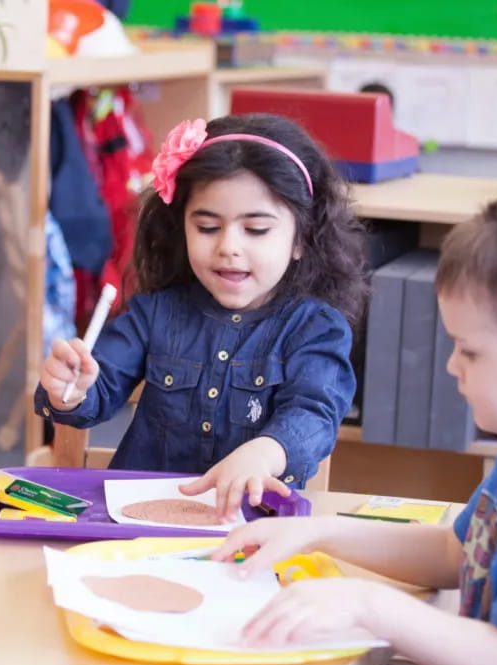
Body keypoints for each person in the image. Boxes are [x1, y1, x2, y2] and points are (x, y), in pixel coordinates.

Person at [215, 192, 497, 665]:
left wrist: (368, 605)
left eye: (471, 350)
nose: (452, 366)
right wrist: (317, 532)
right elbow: (455, 551)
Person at [36, 114, 368, 520]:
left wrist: (265, 453)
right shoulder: (155, 312)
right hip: (138, 526)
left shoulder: (314, 329)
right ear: (183, 230)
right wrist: (69, 387)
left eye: (256, 230)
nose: (228, 246)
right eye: (208, 227)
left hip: (248, 529)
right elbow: (94, 393)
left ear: (300, 239)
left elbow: (314, 413)